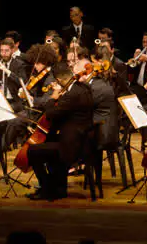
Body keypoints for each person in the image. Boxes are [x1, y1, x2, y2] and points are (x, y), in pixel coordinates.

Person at [26, 61, 94, 200]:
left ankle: (46, 189)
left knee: (32, 150)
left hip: (72, 145)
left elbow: (51, 114)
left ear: (59, 80)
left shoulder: (71, 95)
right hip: (81, 139)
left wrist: (53, 97)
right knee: (50, 141)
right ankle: (58, 189)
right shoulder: (83, 88)